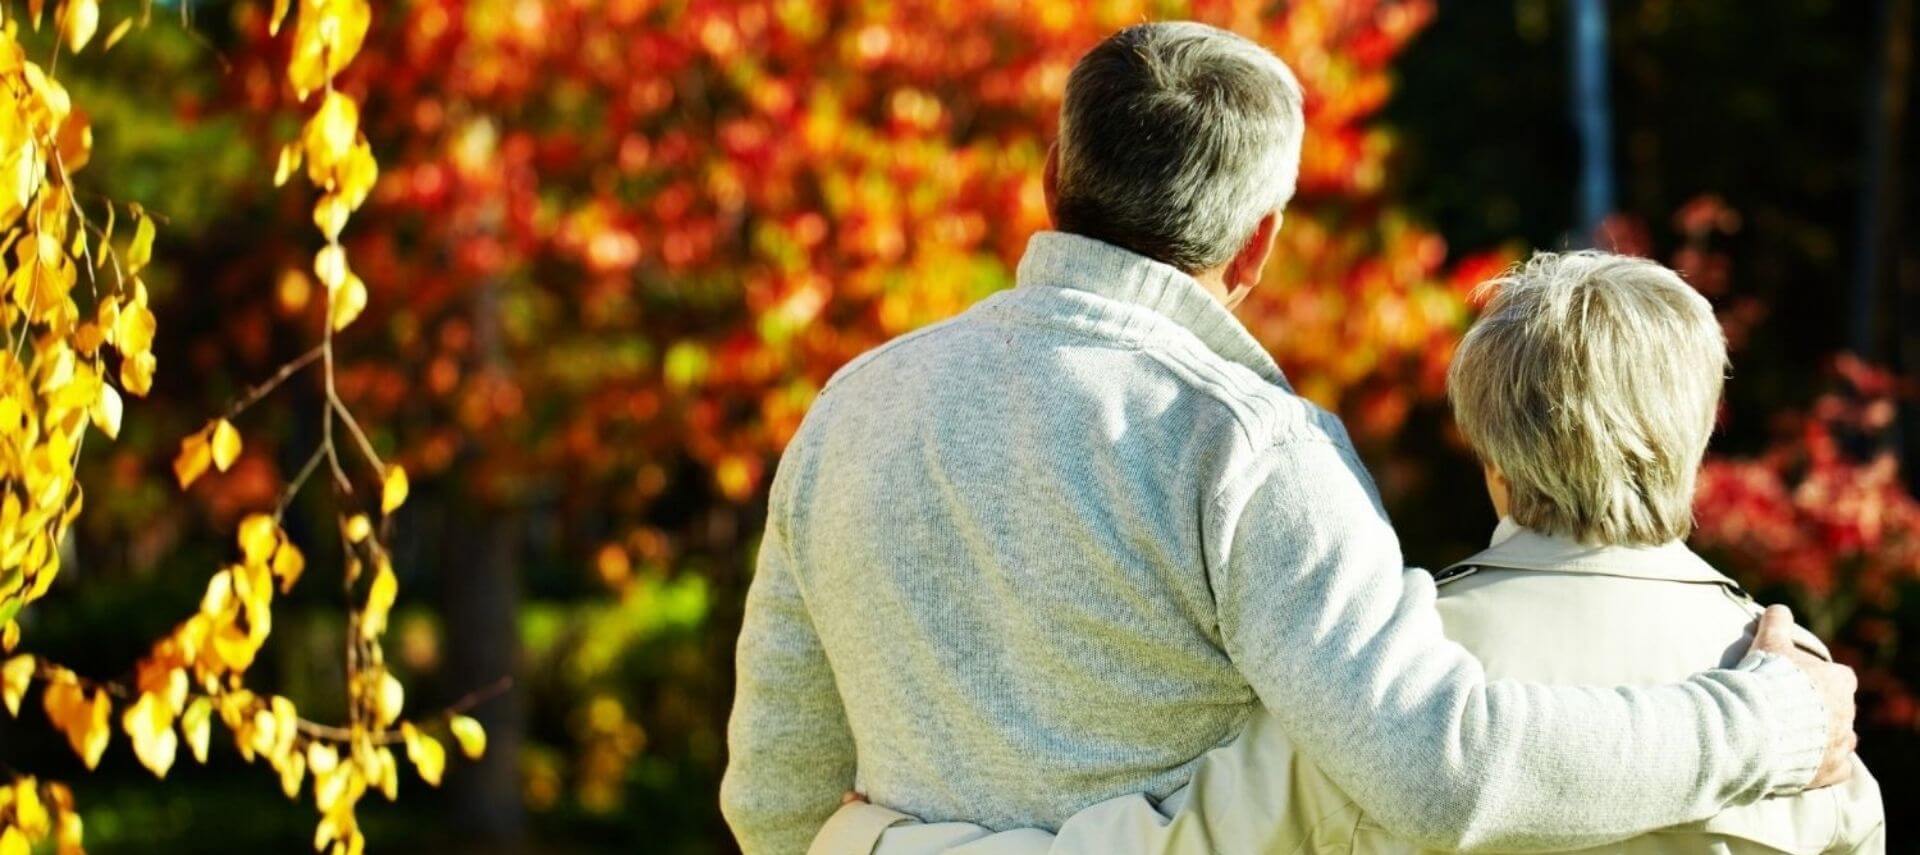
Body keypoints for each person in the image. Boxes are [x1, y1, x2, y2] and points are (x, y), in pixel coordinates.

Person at [721, 22, 1858, 855]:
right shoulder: (1251, 454)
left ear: (1054, 179)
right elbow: (1437, 774)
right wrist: (1762, 722)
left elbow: (775, 801)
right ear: (1258, 245)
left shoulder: (848, 411)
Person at [817, 252, 1887, 854]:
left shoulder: (1381, 679)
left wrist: (869, 846)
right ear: (1700, 435)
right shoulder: (1806, 711)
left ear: (1487, 454)